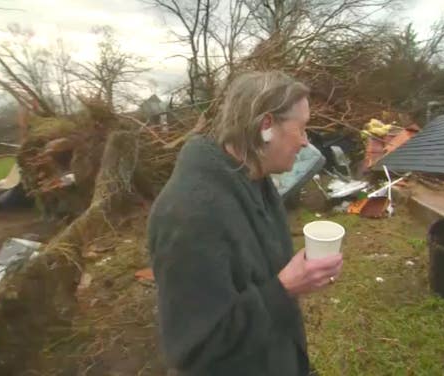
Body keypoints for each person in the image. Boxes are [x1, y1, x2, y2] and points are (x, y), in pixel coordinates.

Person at [147, 71, 344, 376]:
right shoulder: (189, 215)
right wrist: (285, 288)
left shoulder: (256, 181)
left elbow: (261, 286)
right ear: (266, 125)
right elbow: (197, 350)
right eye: (302, 128)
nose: (306, 142)